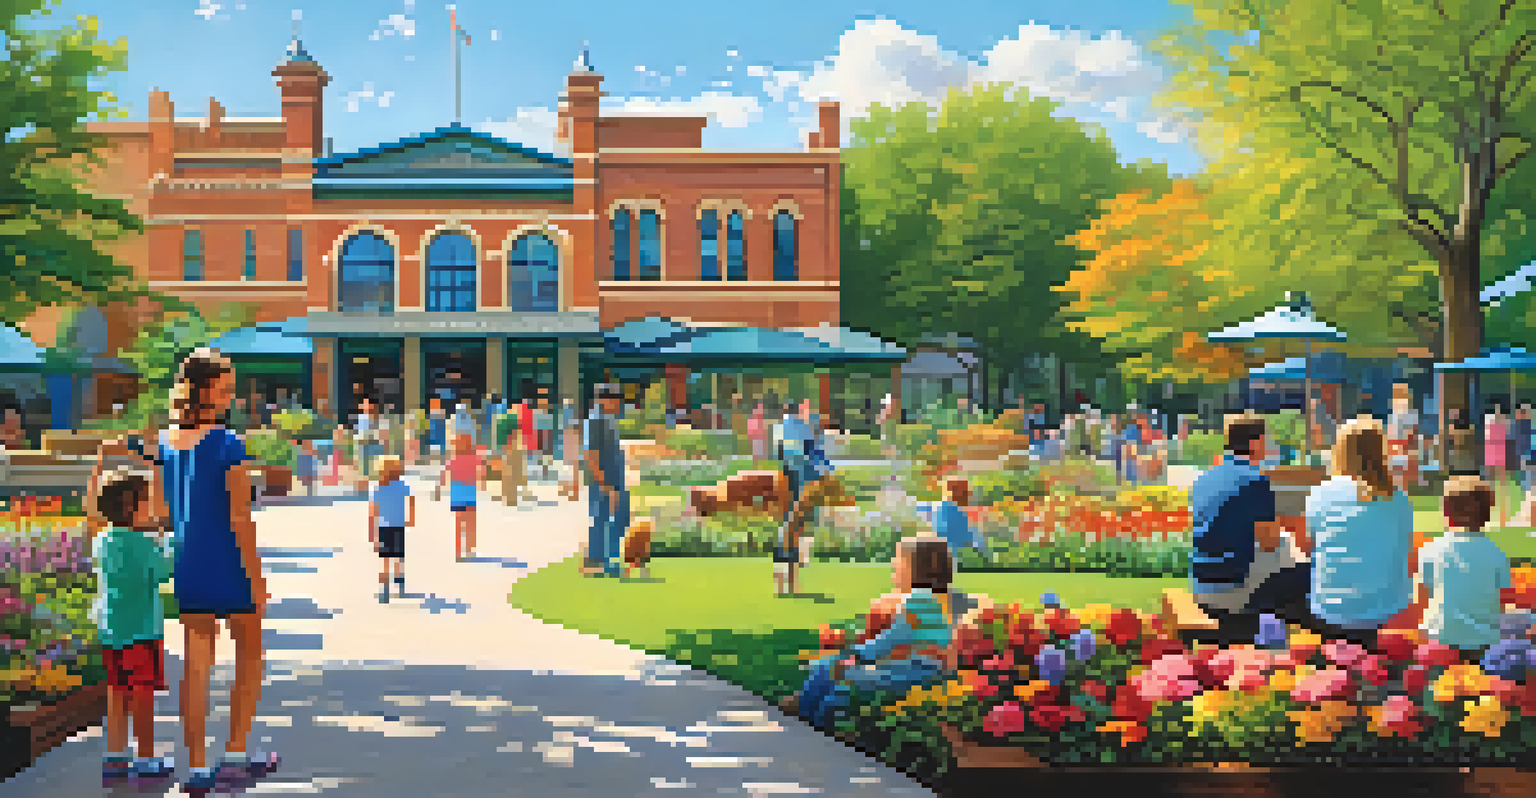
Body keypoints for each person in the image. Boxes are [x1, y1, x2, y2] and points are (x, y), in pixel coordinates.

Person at [156, 349, 278, 789]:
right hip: (230, 562)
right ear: (203, 388)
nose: (230, 395)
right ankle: (236, 753)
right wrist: (257, 578)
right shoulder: (229, 443)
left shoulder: (166, 442)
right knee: (248, 655)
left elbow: (159, 510)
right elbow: (240, 518)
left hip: (189, 560)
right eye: (224, 386)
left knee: (196, 664)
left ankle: (197, 764)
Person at [779, 537, 964, 731]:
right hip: (921, 671)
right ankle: (809, 708)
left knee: (831, 667)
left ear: (919, 569)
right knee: (836, 675)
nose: (894, 564)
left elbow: (890, 639)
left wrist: (856, 653)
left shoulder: (919, 601)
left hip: (914, 675)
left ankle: (803, 713)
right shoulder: (936, 600)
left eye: (900, 561)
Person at [88, 464, 175, 780]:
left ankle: (114, 757)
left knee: (117, 692)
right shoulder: (143, 545)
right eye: (148, 501)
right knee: (142, 696)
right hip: (142, 631)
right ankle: (147, 759)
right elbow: (162, 574)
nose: (153, 507)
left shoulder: (102, 540)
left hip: (112, 631)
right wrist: (167, 542)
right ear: (131, 508)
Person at [1190, 414, 1311, 640]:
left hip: (1201, 585)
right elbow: (1269, 544)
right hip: (1233, 588)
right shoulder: (1255, 480)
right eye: (1267, 441)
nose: (1269, 447)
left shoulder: (1204, 479)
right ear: (1255, 444)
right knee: (1312, 574)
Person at [1305, 416, 1416, 644]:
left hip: (1330, 607)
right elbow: (1405, 550)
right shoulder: (1397, 497)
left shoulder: (1320, 493)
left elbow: (1311, 546)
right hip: (1384, 608)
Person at [1418, 476, 1512, 657]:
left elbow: (1422, 596)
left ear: (1445, 512)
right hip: (1483, 641)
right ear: (1487, 515)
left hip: (1440, 640)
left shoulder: (1432, 548)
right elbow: (1504, 599)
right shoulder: (1496, 553)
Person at [773, 400, 835, 596]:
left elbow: (780, 455)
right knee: (795, 529)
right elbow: (813, 457)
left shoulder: (781, 429)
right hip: (801, 481)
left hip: (788, 479)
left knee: (787, 531)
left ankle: (783, 585)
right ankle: (791, 581)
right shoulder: (802, 429)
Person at [582, 383, 628, 577]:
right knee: (601, 521)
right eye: (614, 399)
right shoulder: (595, 421)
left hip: (613, 480)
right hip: (603, 482)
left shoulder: (608, 420)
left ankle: (608, 561)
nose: (618, 403)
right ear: (603, 400)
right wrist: (605, 484)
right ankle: (598, 563)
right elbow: (590, 456)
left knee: (613, 521)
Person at [368, 456, 415, 602]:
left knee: (385, 560)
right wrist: (411, 518)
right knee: (399, 558)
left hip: (383, 527)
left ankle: (385, 591)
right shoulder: (402, 485)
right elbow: (411, 499)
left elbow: (372, 513)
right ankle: (400, 586)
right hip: (399, 525)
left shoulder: (377, 488)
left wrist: (372, 534)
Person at [438, 433, 485, 561]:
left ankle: (459, 551)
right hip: (469, 494)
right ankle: (469, 549)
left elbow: (444, 473)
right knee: (470, 523)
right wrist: (482, 482)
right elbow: (481, 471)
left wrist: (440, 486)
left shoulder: (453, 459)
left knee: (460, 524)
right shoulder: (474, 458)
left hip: (457, 495)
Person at [928, 479, 988, 560]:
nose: (967, 495)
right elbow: (941, 532)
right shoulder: (947, 509)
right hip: (952, 552)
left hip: (963, 552)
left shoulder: (964, 511)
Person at [1387, 385, 1420, 494]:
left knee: (1403, 474)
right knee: (1398, 474)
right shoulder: (1394, 414)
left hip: (1403, 448)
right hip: (1398, 448)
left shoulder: (1409, 414)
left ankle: (1404, 492)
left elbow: (1412, 434)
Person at [1486, 407, 1510, 526]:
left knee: (1500, 485)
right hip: (1493, 454)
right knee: (1493, 485)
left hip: (1498, 454)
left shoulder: (1500, 421)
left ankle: (1502, 516)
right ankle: (1495, 514)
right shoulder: (1492, 421)